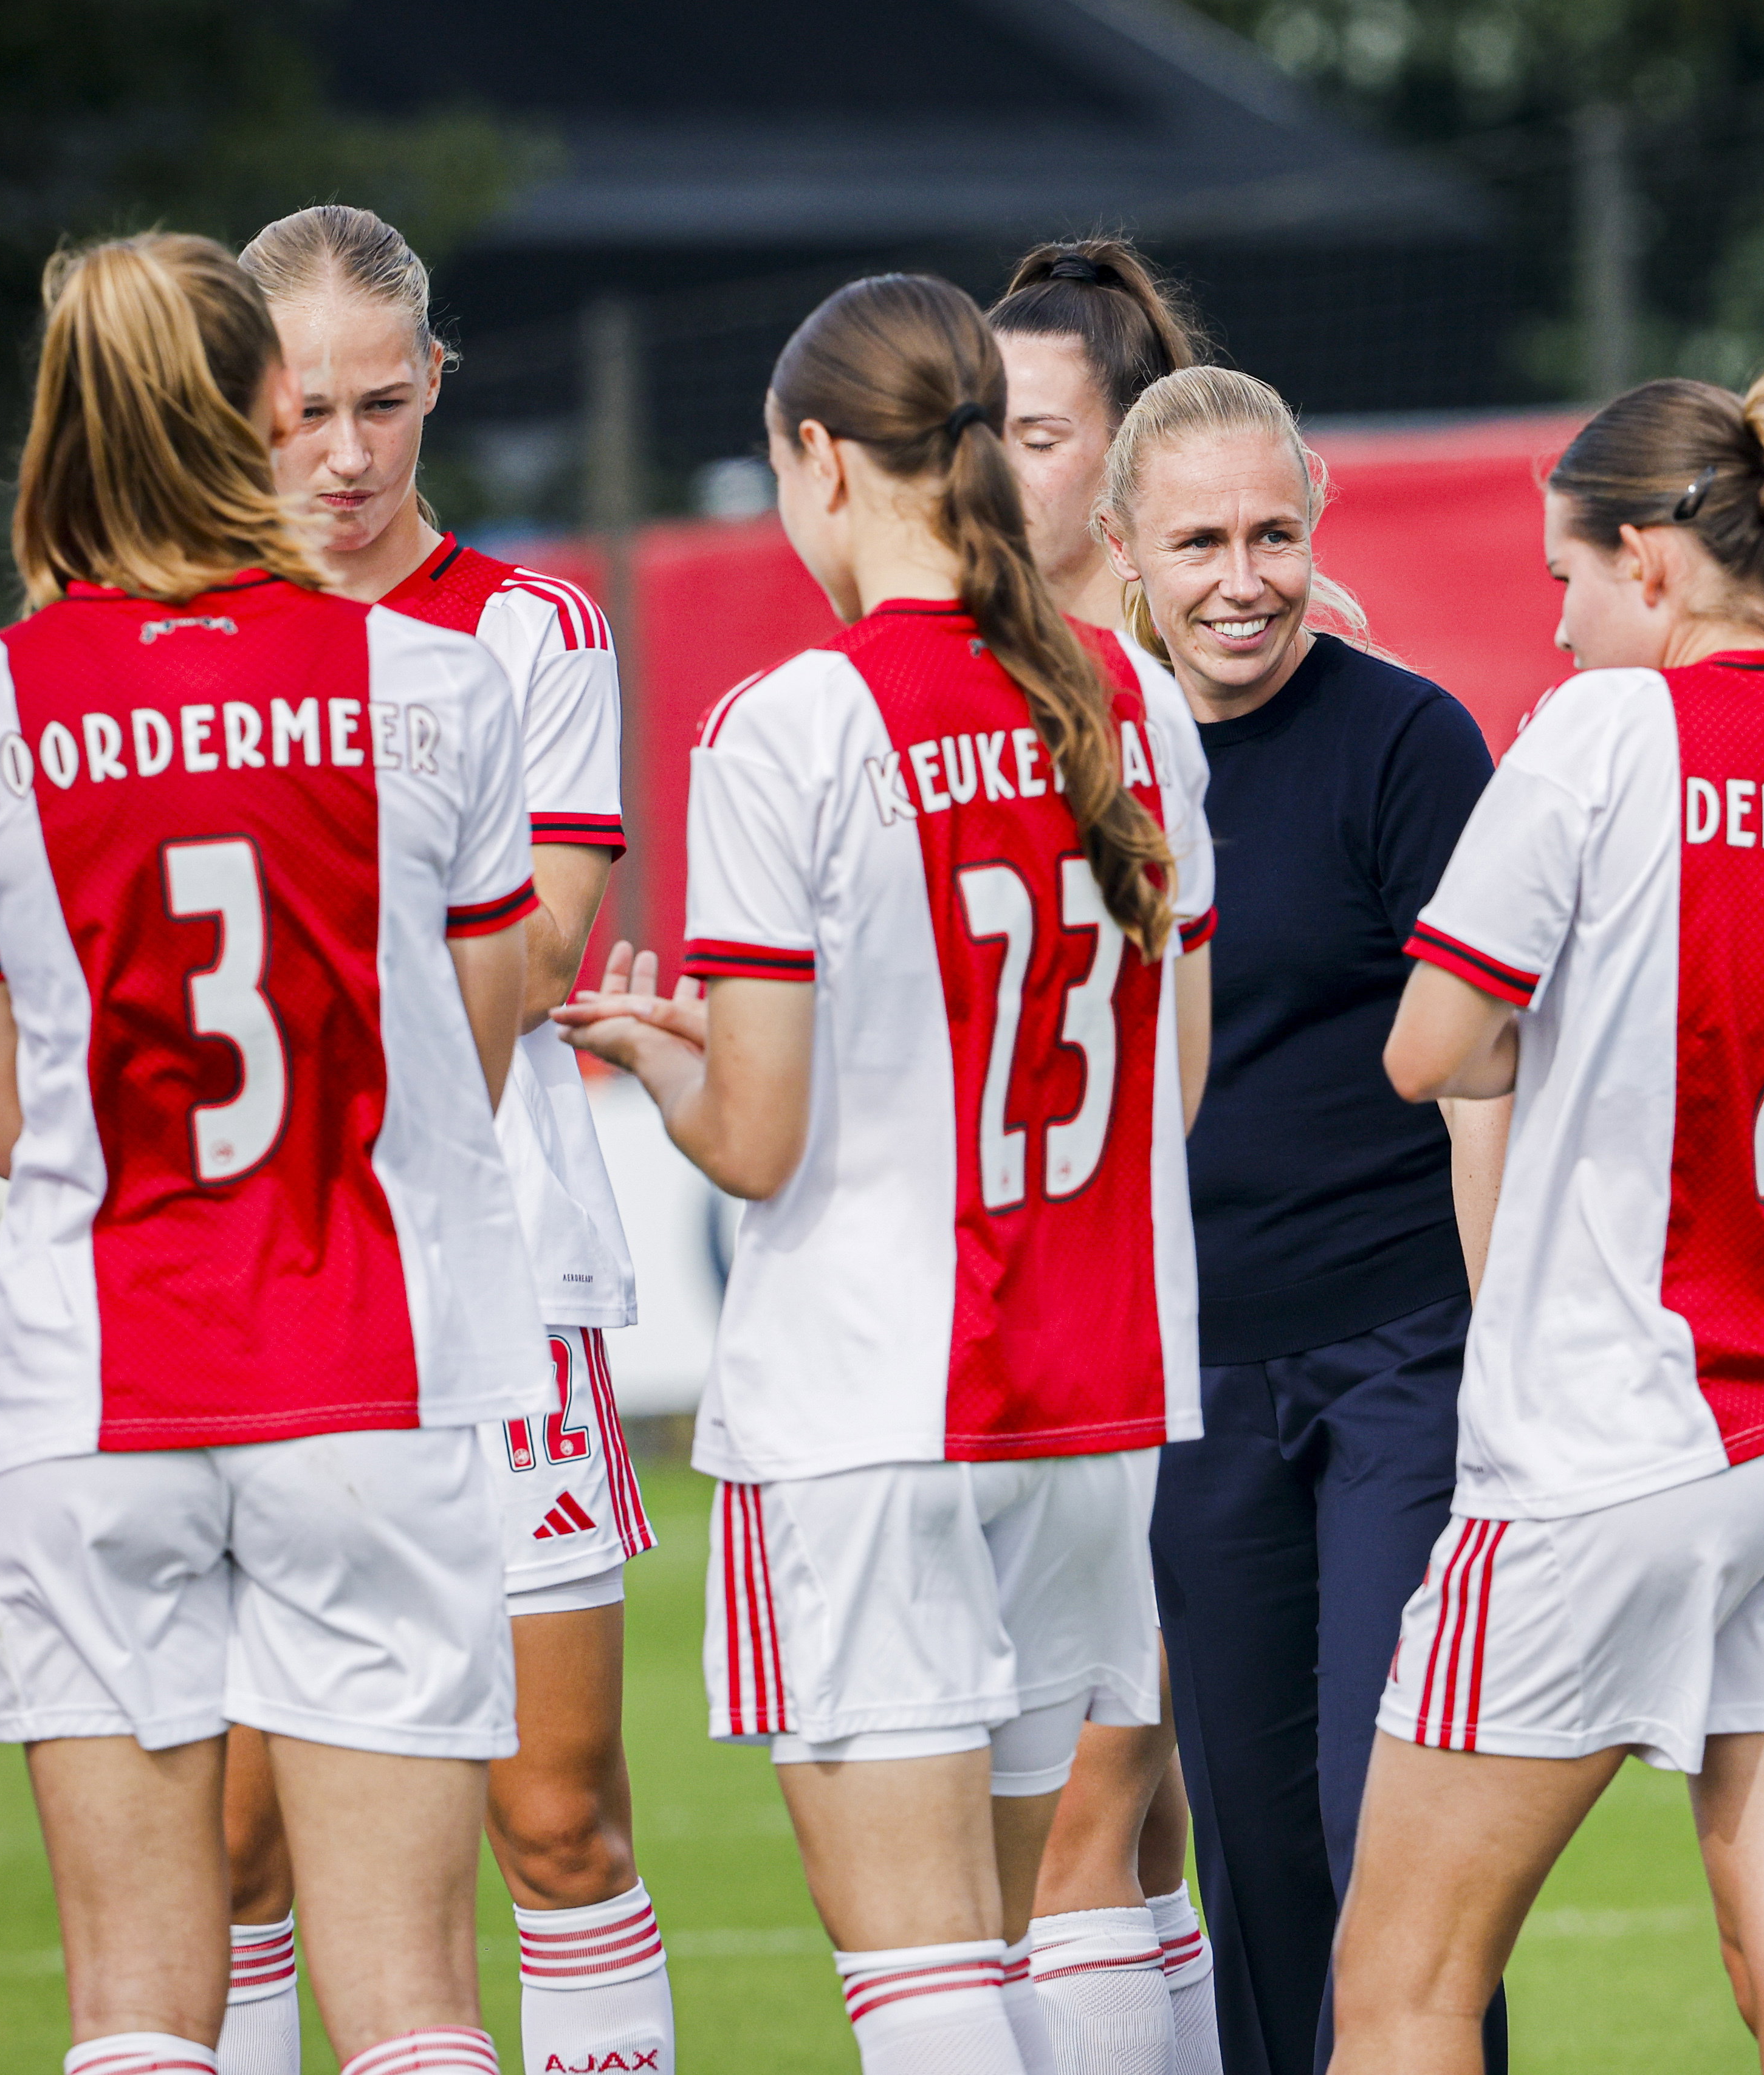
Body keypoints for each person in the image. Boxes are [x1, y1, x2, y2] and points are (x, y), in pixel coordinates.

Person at [0, 230, 547, 2075]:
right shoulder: (433, 683)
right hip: (367, 1375)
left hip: (95, 1391)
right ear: (252, 410)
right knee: (413, 2008)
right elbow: (472, 1049)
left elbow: (9, 1121)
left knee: (135, 2015)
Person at [1330, 355, 1764, 2075]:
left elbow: (1430, 1052)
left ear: (1649, 560)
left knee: (1403, 1984)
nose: (1558, 624)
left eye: (1566, 578)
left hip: (1617, 1437)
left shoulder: (1601, 734)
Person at [554, 270, 1215, 2075]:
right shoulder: (1133, 707)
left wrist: (659, 1066)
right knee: (1032, 1934)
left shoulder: (793, 724)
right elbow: (1171, 1079)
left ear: (824, 458)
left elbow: (757, 1142)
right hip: (1091, 1402)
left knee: (922, 1981)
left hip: (870, 1406)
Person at [207, 202, 668, 2075]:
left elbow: (546, 938)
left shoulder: (522, 629)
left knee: (554, 1814)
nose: (342, 452)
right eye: (300, 408)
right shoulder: (174, 641)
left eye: (381, 405)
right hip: (243, 1291)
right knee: (235, 1840)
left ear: (434, 389)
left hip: (491, 1278)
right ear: (235, 402)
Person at [1096, 362, 1509, 2075]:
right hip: (1188, 1382)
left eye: (1273, 533)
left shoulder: (1405, 739)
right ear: (1123, 552)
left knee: (1387, 1843)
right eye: (1199, 541)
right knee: (1256, 1864)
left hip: (1401, 1361)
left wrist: (1500, 1379)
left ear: (1316, 527)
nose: (1242, 578)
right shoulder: (1079, 746)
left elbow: (1486, 1071)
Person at [987, 235, 1223, 2075]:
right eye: (972, 426)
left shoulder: (1219, 672)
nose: (993, 466)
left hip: (1182, 1320)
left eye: (1039, 432)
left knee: (1089, 1804)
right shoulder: (965, 686)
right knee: (1128, 1821)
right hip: (1055, 1323)